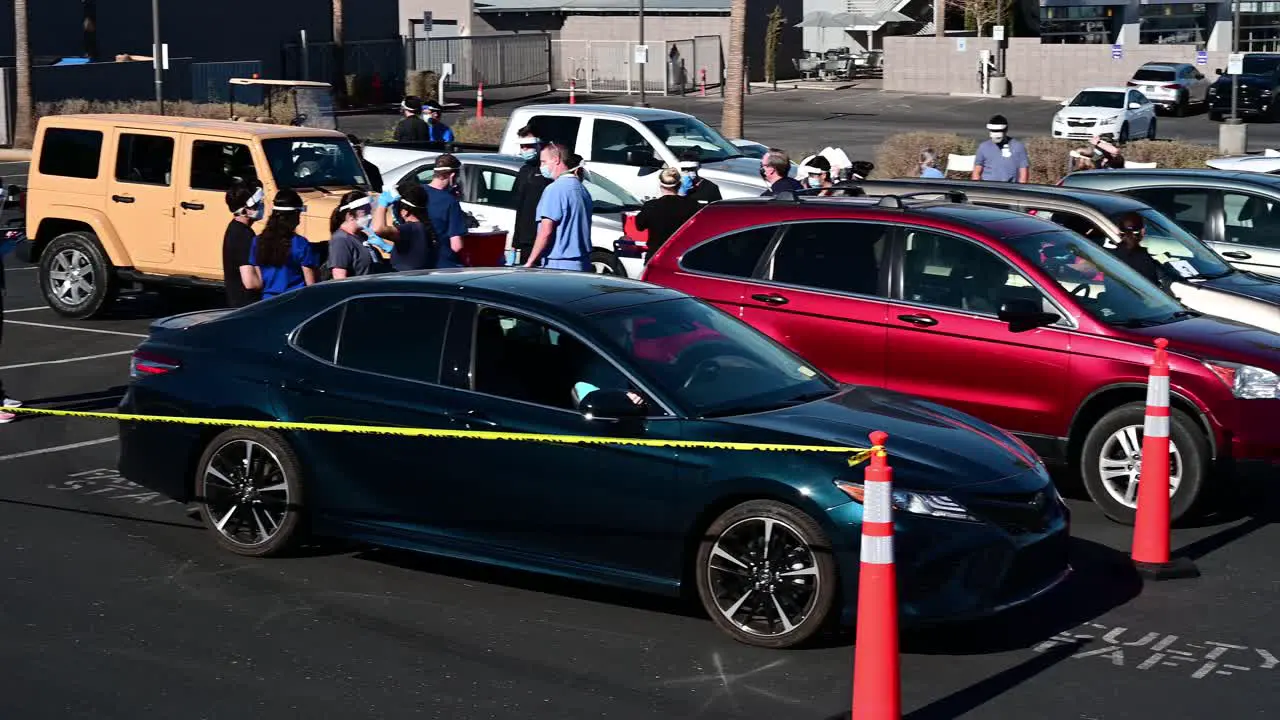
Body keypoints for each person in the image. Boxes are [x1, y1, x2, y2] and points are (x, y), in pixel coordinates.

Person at [525, 142, 593, 271]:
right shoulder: (581, 189)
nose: (541, 167)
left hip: (558, 264)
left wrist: (530, 261)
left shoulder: (554, 190)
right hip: (582, 262)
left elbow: (546, 231)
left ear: (556, 160)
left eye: (544, 162)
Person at [244, 189, 323, 300]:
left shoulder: (257, 242)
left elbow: (260, 278)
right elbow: (311, 284)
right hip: (294, 302)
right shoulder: (301, 244)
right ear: (295, 215)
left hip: (267, 301)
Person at [634, 167, 701, 259]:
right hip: (682, 255)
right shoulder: (692, 205)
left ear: (660, 185)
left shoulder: (651, 206)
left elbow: (639, 226)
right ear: (679, 185)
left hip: (656, 254)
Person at [418, 154, 469, 268]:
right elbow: (456, 245)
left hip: (416, 261)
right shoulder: (450, 202)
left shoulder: (416, 193)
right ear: (452, 175)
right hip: (442, 264)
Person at [372, 182, 437, 272]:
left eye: (395, 207)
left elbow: (378, 229)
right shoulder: (424, 228)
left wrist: (382, 204)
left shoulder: (410, 229)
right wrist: (391, 250)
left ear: (404, 212)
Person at [512, 126, 552, 265]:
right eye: (522, 146)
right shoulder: (524, 171)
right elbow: (519, 206)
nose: (524, 150)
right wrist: (516, 240)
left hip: (543, 237)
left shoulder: (548, 172)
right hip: (525, 239)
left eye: (528, 146)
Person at [221, 179, 265, 308]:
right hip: (246, 306)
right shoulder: (243, 235)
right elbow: (251, 282)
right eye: (258, 204)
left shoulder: (235, 228)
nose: (262, 206)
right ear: (245, 210)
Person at [328, 190, 390, 278]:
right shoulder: (341, 240)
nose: (370, 216)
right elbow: (339, 277)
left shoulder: (362, 236)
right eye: (365, 213)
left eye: (370, 211)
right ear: (350, 216)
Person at [972, 114, 1030, 183]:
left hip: (1010, 189)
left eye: (998, 131)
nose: (996, 134)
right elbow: (976, 173)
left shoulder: (1018, 147)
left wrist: (1020, 190)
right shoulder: (983, 147)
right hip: (988, 188)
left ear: (1005, 130)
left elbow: (1023, 174)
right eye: (993, 130)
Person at [1112, 211, 1163, 285]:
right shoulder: (1146, 262)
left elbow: (1095, 278)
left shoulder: (1105, 257)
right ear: (1142, 232)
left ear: (1119, 231)